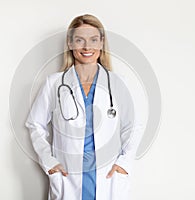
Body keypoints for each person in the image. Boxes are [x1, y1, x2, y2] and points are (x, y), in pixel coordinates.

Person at [25, 14, 144, 200]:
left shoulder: (118, 83)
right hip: (68, 180)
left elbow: (133, 126)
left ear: (102, 43)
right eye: (80, 40)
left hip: (108, 179)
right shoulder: (54, 83)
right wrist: (49, 162)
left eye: (93, 40)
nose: (87, 47)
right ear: (70, 43)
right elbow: (35, 124)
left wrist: (124, 164)